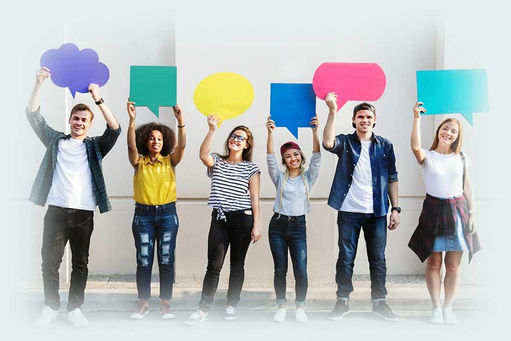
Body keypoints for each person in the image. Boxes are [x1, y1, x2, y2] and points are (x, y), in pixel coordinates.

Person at [27, 67, 121, 327]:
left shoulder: (94, 147)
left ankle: (75, 309)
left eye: (83, 120)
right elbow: (33, 115)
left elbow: (114, 129)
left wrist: (98, 99)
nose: (79, 123)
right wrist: (38, 84)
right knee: (50, 262)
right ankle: (51, 307)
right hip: (56, 209)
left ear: (89, 125)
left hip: (82, 213)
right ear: (70, 121)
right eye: (75, 118)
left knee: (80, 263)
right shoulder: (56, 141)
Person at [322, 92, 400, 322]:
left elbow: (393, 178)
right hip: (349, 210)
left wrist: (395, 208)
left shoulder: (385, 145)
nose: (364, 120)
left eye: (368, 116)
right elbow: (327, 142)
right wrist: (333, 111)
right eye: (360, 116)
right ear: (354, 120)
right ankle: (342, 301)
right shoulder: (346, 142)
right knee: (346, 258)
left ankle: (379, 303)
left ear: (374, 120)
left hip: (377, 211)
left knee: (378, 258)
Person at [408, 102, 481, 324]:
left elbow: (467, 187)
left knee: (453, 265)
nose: (448, 133)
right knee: (434, 264)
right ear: (439, 130)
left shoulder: (461, 158)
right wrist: (416, 118)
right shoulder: (427, 156)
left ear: (457, 137)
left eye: (453, 131)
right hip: (433, 211)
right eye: (445, 128)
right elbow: (415, 147)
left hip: (459, 212)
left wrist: (474, 213)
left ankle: (449, 307)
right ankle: (436, 308)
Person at [185, 115, 261, 325]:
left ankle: (231, 305)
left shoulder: (251, 168)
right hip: (220, 218)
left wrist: (257, 224)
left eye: (241, 138)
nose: (236, 140)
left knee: (237, 265)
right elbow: (203, 155)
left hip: (243, 219)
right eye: (234, 136)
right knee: (213, 265)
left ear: (247, 145)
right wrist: (212, 129)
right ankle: (203, 309)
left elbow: (254, 198)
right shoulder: (217, 160)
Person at [126, 100, 186, 320]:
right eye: (152, 137)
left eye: (159, 138)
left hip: (167, 215)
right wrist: (132, 121)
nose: (155, 141)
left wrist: (180, 121)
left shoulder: (170, 161)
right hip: (143, 216)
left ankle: (166, 303)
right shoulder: (139, 162)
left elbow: (182, 147)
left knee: (166, 259)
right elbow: (131, 147)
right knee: (143, 260)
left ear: (165, 142)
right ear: (145, 140)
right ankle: (143, 302)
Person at [266, 115, 321, 323]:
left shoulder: (308, 178)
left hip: (299, 227)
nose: (293, 158)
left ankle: (300, 307)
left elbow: (317, 158)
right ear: (285, 160)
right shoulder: (279, 178)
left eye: (296, 154)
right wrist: (270, 133)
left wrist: (315, 131)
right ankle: (281, 305)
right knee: (280, 268)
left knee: (301, 268)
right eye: (288, 156)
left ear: (301, 157)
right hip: (278, 225)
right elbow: (270, 159)